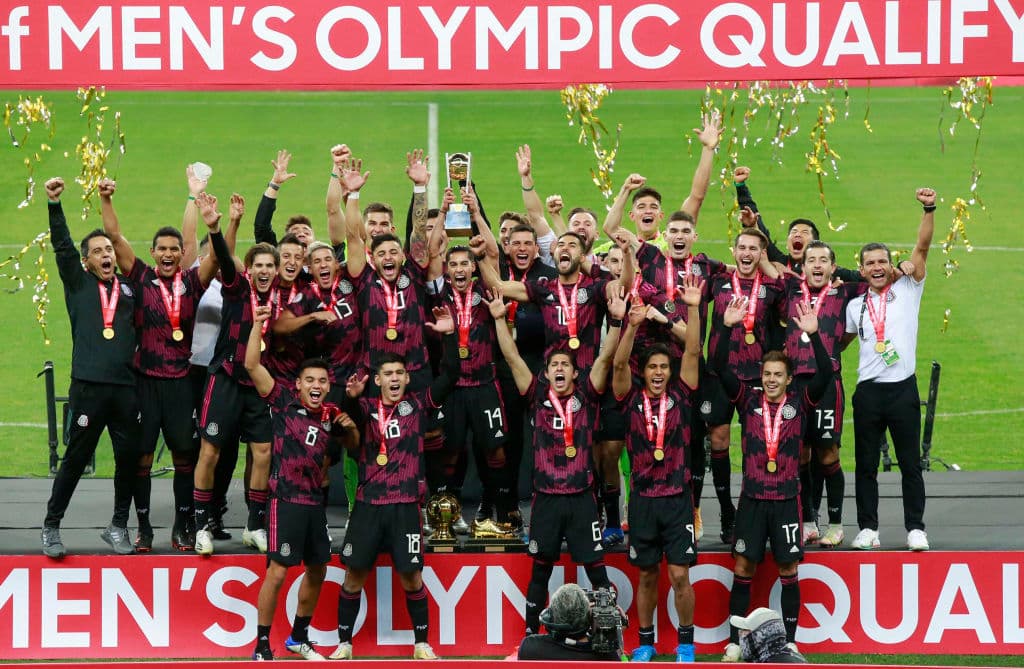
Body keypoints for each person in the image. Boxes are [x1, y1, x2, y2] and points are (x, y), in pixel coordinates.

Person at [487, 284, 625, 638]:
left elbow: (607, 356)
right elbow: (513, 358)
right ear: (546, 373)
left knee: (597, 573)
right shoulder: (535, 395)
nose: (560, 369)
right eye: (555, 365)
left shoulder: (588, 395)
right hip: (546, 499)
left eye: (566, 365)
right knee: (540, 571)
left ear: (575, 373)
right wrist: (501, 320)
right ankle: (531, 638)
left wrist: (617, 321)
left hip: (581, 499)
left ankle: (608, 638)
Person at [97, 178, 222, 552]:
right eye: (161, 249)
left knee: (185, 454)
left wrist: (212, 224)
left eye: (174, 249)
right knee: (144, 457)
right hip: (146, 382)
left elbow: (217, 258)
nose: (168, 255)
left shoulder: (193, 281)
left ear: (183, 252)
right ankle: (145, 527)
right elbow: (115, 237)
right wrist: (106, 198)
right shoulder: (141, 277)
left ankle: (183, 524)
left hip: (182, 383)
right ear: (152, 252)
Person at [331, 306, 459, 661]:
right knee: (354, 577)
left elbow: (450, 376)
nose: (395, 378)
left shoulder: (417, 406)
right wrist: (349, 398)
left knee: (411, 579)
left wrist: (448, 336)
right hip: (369, 505)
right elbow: (345, 424)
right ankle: (345, 643)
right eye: (388, 373)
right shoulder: (365, 407)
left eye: (400, 373)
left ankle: (421, 643)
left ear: (406, 378)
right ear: (377, 379)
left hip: (405, 506)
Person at [716, 295, 831, 661]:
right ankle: (736, 642)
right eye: (766, 374)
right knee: (743, 566)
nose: (770, 380)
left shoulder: (800, 401)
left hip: (785, 499)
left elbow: (827, 375)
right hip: (752, 499)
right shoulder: (746, 401)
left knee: (788, 567)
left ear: (788, 378)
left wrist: (814, 338)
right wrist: (726, 327)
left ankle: (791, 640)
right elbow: (720, 367)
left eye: (777, 375)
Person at [245, 305, 355, 661]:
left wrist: (351, 429)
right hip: (285, 500)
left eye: (322, 381)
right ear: (299, 384)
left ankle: (298, 637)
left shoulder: (332, 416)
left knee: (318, 569)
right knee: (277, 572)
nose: (317, 386)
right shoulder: (282, 401)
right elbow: (251, 366)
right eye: (310, 380)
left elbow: (353, 446)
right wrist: (259, 324)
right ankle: (262, 644)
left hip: (314, 503)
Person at [39, 177, 141, 558]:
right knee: (77, 459)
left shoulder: (130, 290)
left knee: (127, 460)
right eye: (98, 251)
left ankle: (117, 525)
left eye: (109, 249)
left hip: (126, 390)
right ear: (87, 261)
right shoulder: (78, 284)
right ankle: (51, 525)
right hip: (88, 387)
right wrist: (54, 204)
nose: (106, 255)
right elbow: (62, 246)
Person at [612, 276, 704, 663]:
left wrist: (695, 307)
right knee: (647, 575)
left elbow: (694, 352)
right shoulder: (629, 397)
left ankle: (686, 643)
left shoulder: (682, 394)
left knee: (680, 575)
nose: (659, 373)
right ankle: (646, 641)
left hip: (677, 500)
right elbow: (618, 362)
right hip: (645, 501)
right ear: (644, 370)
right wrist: (631, 326)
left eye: (664, 366)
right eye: (652, 367)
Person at [843, 188, 937, 552]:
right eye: (871, 263)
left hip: (902, 388)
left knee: (910, 463)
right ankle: (869, 528)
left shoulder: (909, 288)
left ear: (890, 263)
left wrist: (928, 208)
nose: (878, 267)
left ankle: (915, 528)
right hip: (868, 391)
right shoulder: (855, 306)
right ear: (862, 268)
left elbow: (923, 247)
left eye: (883, 261)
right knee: (865, 464)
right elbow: (844, 343)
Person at [779, 240, 867, 547]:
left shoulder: (845, 292)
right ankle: (807, 521)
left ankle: (837, 523)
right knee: (801, 453)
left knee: (828, 453)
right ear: (802, 267)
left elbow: (876, 278)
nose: (816, 265)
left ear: (832, 267)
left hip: (828, 384)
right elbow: (765, 264)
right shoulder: (790, 290)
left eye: (823, 261)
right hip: (795, 384)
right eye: (811, 260)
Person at [703, 226, 783, 544]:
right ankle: (726, 511)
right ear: (733, 251)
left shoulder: (772, 287)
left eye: (754, 249)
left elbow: (788, 292)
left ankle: (754, 512)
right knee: (719, 439)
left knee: (758, 446)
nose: (747, 253)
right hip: (721, 373)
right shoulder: (718, 281)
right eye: (742, 248)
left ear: (761, 254)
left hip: (757, 377)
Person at [516, 583, 622, 661]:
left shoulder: (529, 647)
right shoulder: (607, 657)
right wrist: (615, 634)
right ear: (589, 618)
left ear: (551, 618)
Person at [731, 608, 807, 663]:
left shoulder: (771, 664)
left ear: (761, 636)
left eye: (745, 630)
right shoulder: (793, 658)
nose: (740, 633)